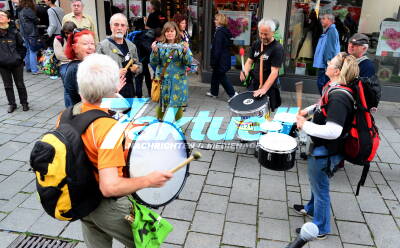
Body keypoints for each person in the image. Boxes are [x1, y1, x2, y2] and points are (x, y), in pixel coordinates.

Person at [67, 53, 173, 248]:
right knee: (148, 242)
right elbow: (110, 187)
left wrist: (111, 92)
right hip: (106, 206)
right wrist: (148, 180)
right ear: (111, 90)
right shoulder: (107, 129)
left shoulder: (69, 114)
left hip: (80, 199)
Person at [294, 52, 359, 240]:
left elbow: (333, 131)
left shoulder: (339, 96)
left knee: (320, 187)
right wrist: (307, 111)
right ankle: (311, 208)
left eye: (330, 63)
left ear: (337, 71)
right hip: (323, 147)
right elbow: (322, 105)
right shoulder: (333, 87)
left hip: (327, 150)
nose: (327, 64)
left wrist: (304, 125)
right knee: (316, 182)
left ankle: (321, 227)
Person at [150, 21, 192, 121]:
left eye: (172, 31)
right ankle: (159, 123)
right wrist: (154, 52)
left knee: (177, 105)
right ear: (164, 33)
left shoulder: (182, 45)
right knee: (162, 104)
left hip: (178, 80)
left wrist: (186, 52)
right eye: (167, 31)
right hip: (164, 80)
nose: (169, 33)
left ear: (176, 32)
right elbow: (153, 63)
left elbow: (188, 62)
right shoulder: (159, 46)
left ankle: (178, 125)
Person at [241, 19, 284, 112]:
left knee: (264, 115)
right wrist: (245, 72)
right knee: (249, 110)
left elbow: (274, 72)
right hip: (254, 83)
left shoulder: (277, 48)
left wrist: (264, 89)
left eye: (266, 34)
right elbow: (249, 61)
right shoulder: (256, 43)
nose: (263, 36)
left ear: (273, 32)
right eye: (261, 33)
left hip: (268, 86)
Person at [97, 13, 142, 99]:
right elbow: (96, 74)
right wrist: (114, 74)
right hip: (111, 93)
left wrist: (136, 68)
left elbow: (139, 65)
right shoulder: (102, 47)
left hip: (129, 91)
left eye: (122, 25)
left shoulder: (131, 46)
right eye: (116, 25)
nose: (119, 28)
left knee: (129, 112)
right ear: (110, 27)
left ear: (126, 28)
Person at [0, 10, 29, 113]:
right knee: (7, 85)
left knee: (20, 84)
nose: (0, 16)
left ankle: (24, 103)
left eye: (2, 15)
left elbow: (22, 47)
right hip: (2, 65)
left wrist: (19, 58)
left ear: (8, 19)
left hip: (17, 64)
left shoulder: (15, 32)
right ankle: (12, 104)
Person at [206, 13, 237, 101]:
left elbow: (217, 49)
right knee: (215, 74)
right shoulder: (224, 31)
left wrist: (214, 61)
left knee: (221, 76)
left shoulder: (219, 33)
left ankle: (233, 94)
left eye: (216, 20)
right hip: (224, 57)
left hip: (220, 59)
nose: (214, 21)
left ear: (220, 21)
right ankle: (214, 92)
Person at [63, 28, 96, 107]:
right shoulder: (77, 68)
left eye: (92, 43)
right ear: (75, 48)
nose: (90, 47)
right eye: (85, 44)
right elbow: (91, 100)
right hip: (84, 115)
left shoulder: (82, 65)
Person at [313, 13, 340, 95]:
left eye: (324, 18)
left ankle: (324, 102)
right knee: (323, 85)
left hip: (326, 65)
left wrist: (328, 63)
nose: (321, 20)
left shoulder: (331, 31)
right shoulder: (329, 30)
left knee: (322, 85)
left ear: (330, 20)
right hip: (325, 64)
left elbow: (330, 49)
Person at [129, 17, 154, 98]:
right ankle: (150, 93)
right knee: (146, 77)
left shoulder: (135, 34)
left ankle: (139, 95)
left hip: (138, 59)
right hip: (144, 59)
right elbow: (147, 48)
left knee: (139, 78)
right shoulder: (144, 34)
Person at [54, 21, 76, 107]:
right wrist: (73, 57)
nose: (68, 35)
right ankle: (69, 109)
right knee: (68, 88)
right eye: (66, 33)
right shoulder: (59, 39)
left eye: (70, 33)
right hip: (64, 64)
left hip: (76, 62)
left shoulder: (77, 38)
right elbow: (59, 56)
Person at [18, 0, 39, 75]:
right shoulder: (28, 10)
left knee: (28, 50)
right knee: (33, 51)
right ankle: (34, 70)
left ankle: (28, 67)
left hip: (24, 33)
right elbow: (35, 20)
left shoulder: (21, 10)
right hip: (30, 33)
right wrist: (38, 19)